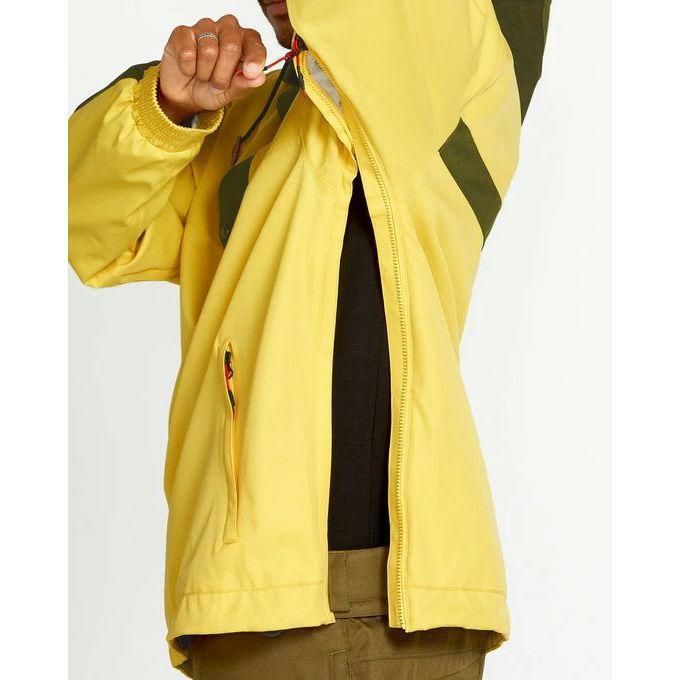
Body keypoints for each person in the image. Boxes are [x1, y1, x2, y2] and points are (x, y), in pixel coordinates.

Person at [69, 1, 551, 677]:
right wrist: (167, 109)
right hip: (254, 603)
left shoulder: (466, 49)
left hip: (419, 610)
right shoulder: (244, 115)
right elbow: (80, 224)